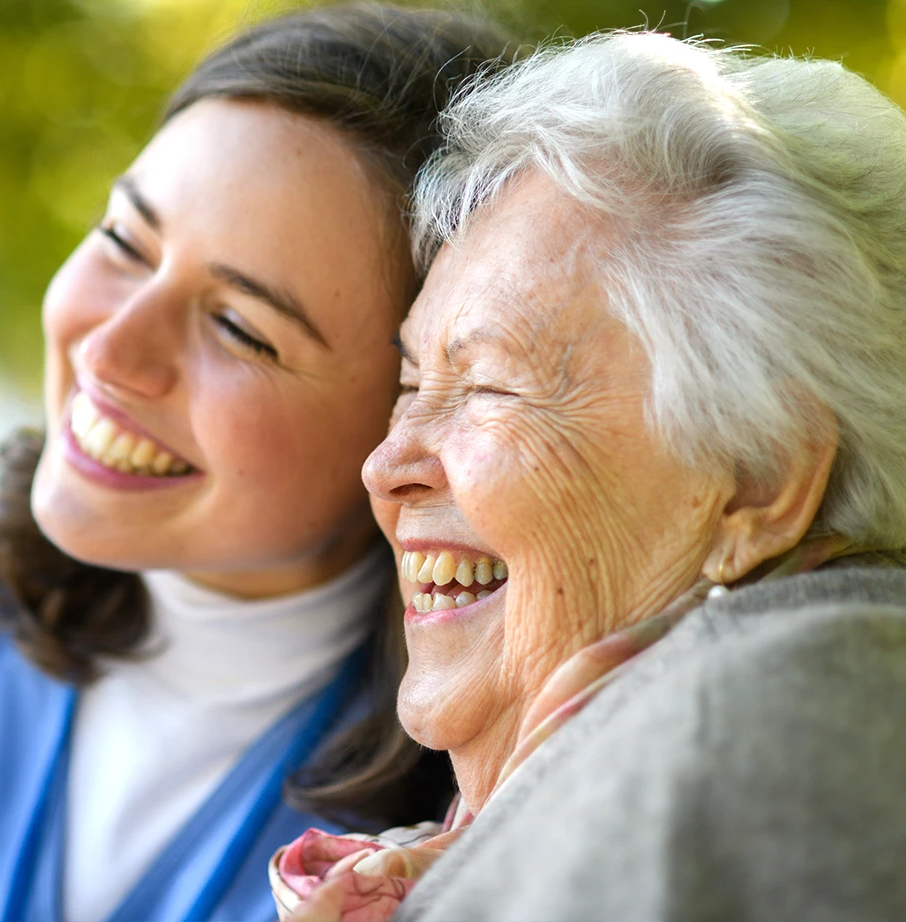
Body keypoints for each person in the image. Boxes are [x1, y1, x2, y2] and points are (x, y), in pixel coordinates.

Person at [0, 6, 514, 920]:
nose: (112, 350)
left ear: (408, 418)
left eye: (241, 328)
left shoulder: (469, 830)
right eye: (126, 241)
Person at [270, 32, 906, 921]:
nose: (386, 468)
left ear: (757, 480)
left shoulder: (772, 727)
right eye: (410, 384)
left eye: (487, 385)